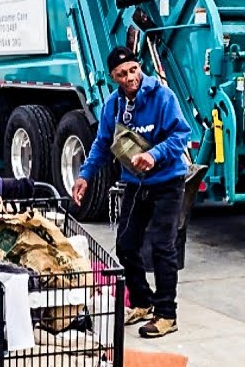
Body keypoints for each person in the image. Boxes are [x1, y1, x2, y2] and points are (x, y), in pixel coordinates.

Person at [73, 46, 191, 339]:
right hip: (136, 184)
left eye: (133, 70)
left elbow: (181, 134)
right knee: (126, 245)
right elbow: (102, 144)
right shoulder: (113, 106)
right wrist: (85, 176)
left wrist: (155, 154)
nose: (130, 78)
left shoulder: (162, 96)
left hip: (167, 181)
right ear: (113, 77)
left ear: (140, 68)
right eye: (122, 74)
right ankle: (141, 301)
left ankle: (166, 314)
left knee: (163, 247)